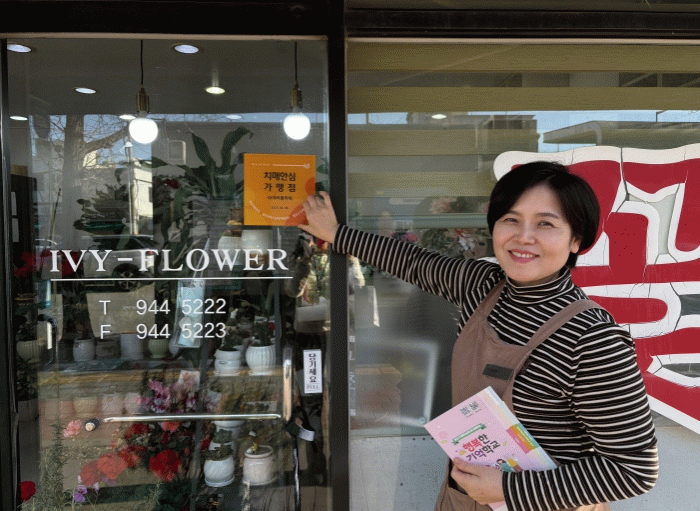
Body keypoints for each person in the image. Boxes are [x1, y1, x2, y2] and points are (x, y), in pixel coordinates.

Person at [299, 161, 659, 511]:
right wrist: (337, 234)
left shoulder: (593, 338)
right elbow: (412, 262)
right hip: (463, 498)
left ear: (576, 240)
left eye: (545, 224)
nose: (524, 237)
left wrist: (508, 489)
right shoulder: (481, 286)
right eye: (511, 220)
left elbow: (634, 469)